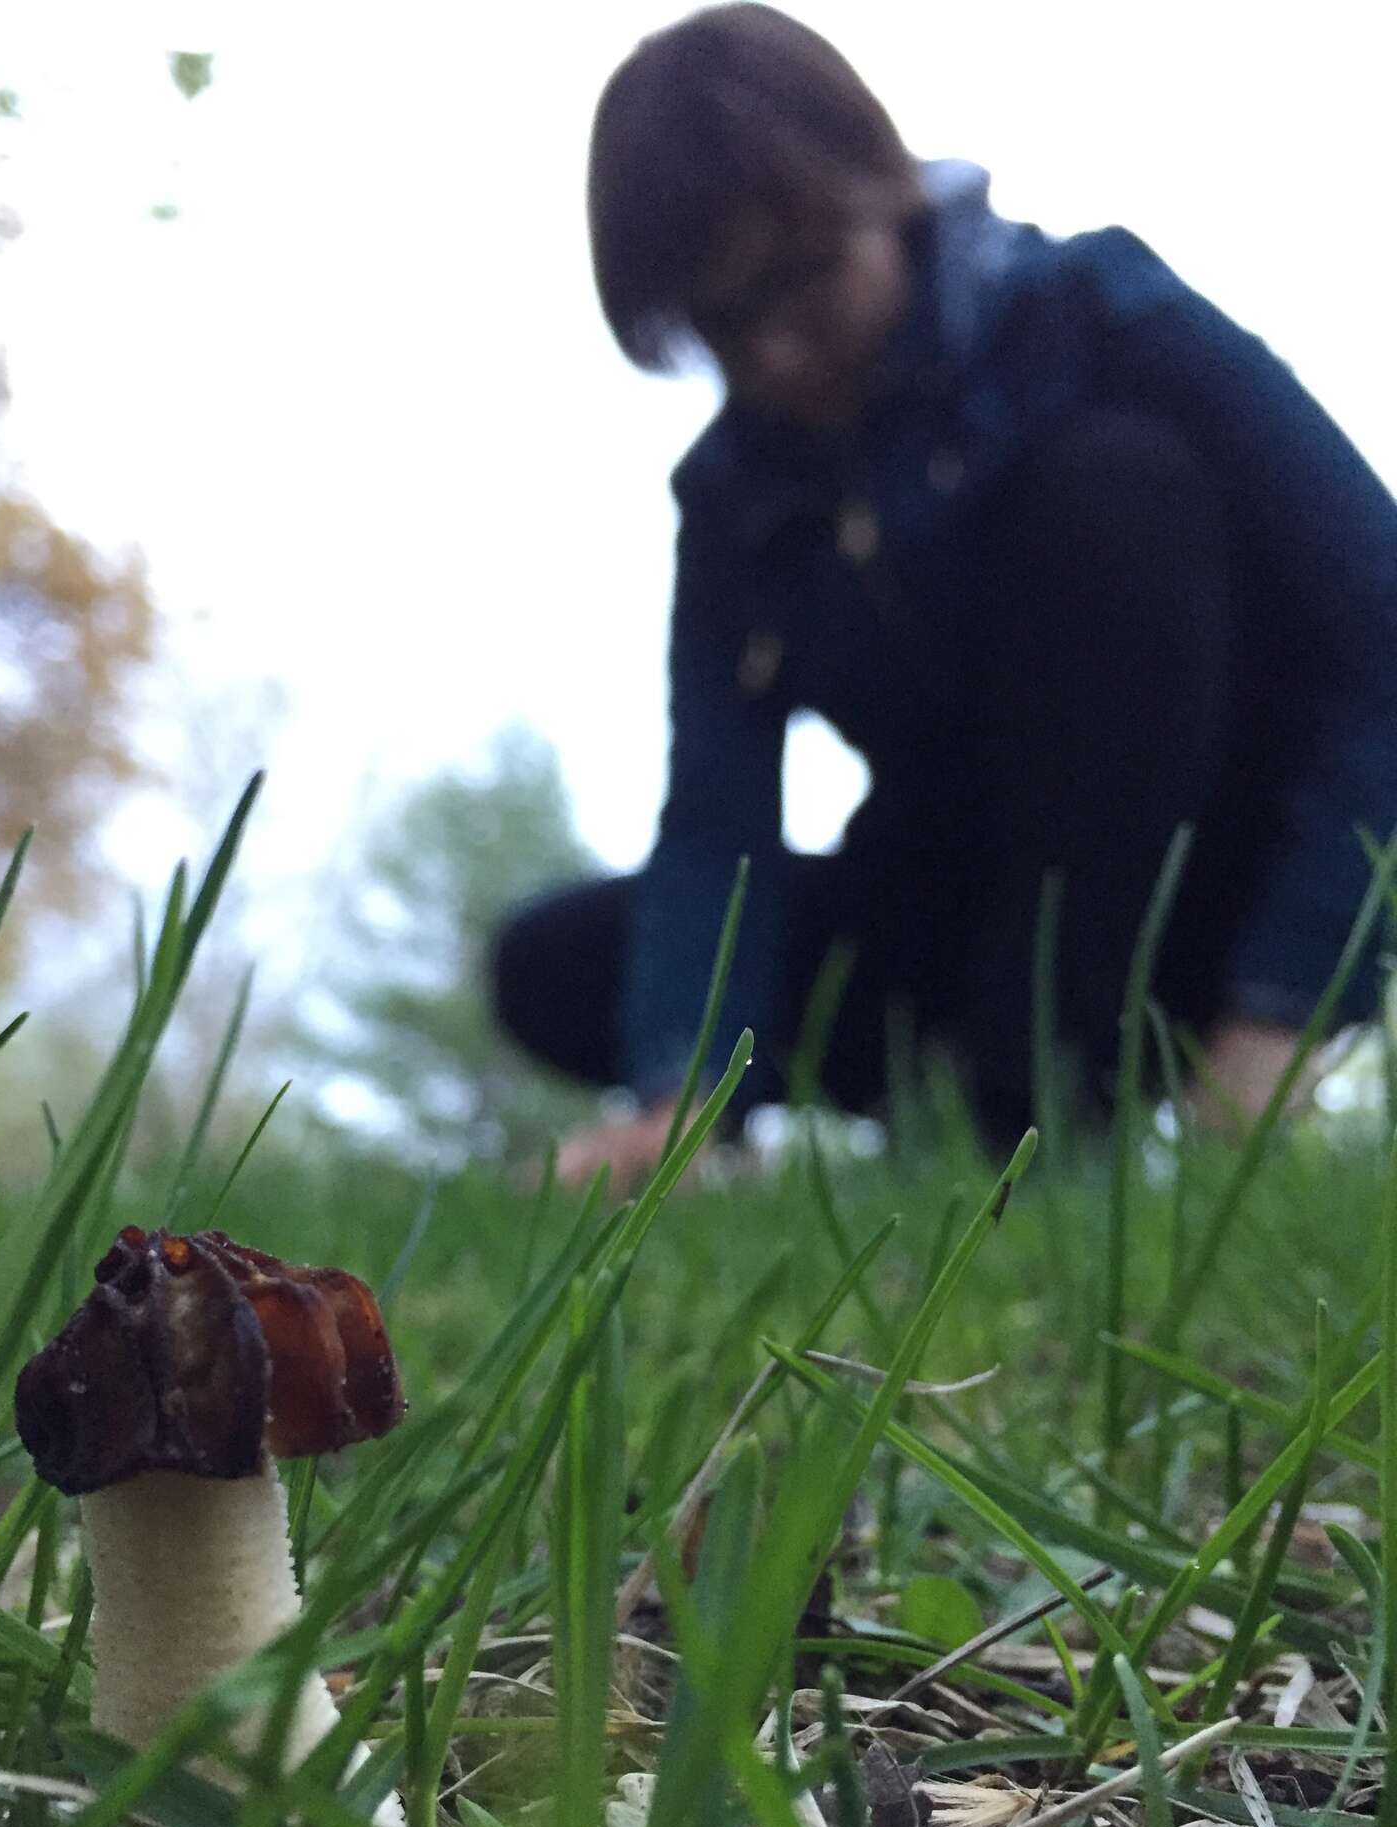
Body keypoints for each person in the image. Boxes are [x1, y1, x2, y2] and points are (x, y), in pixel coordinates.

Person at [491, 2, 1397, 1186]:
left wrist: (1285, 996)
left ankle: (1044, 1098)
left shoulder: (1099, 312)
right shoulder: (734, 499)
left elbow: (1379, 626)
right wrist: (686, 1082)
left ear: (882, 186)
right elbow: (718, 817)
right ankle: (976, 1093)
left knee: (1113, 485)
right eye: (722, 321)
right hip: (946, 900)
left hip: (1190, 889)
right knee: (551, 964)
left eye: (801, 279)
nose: (772, 354)